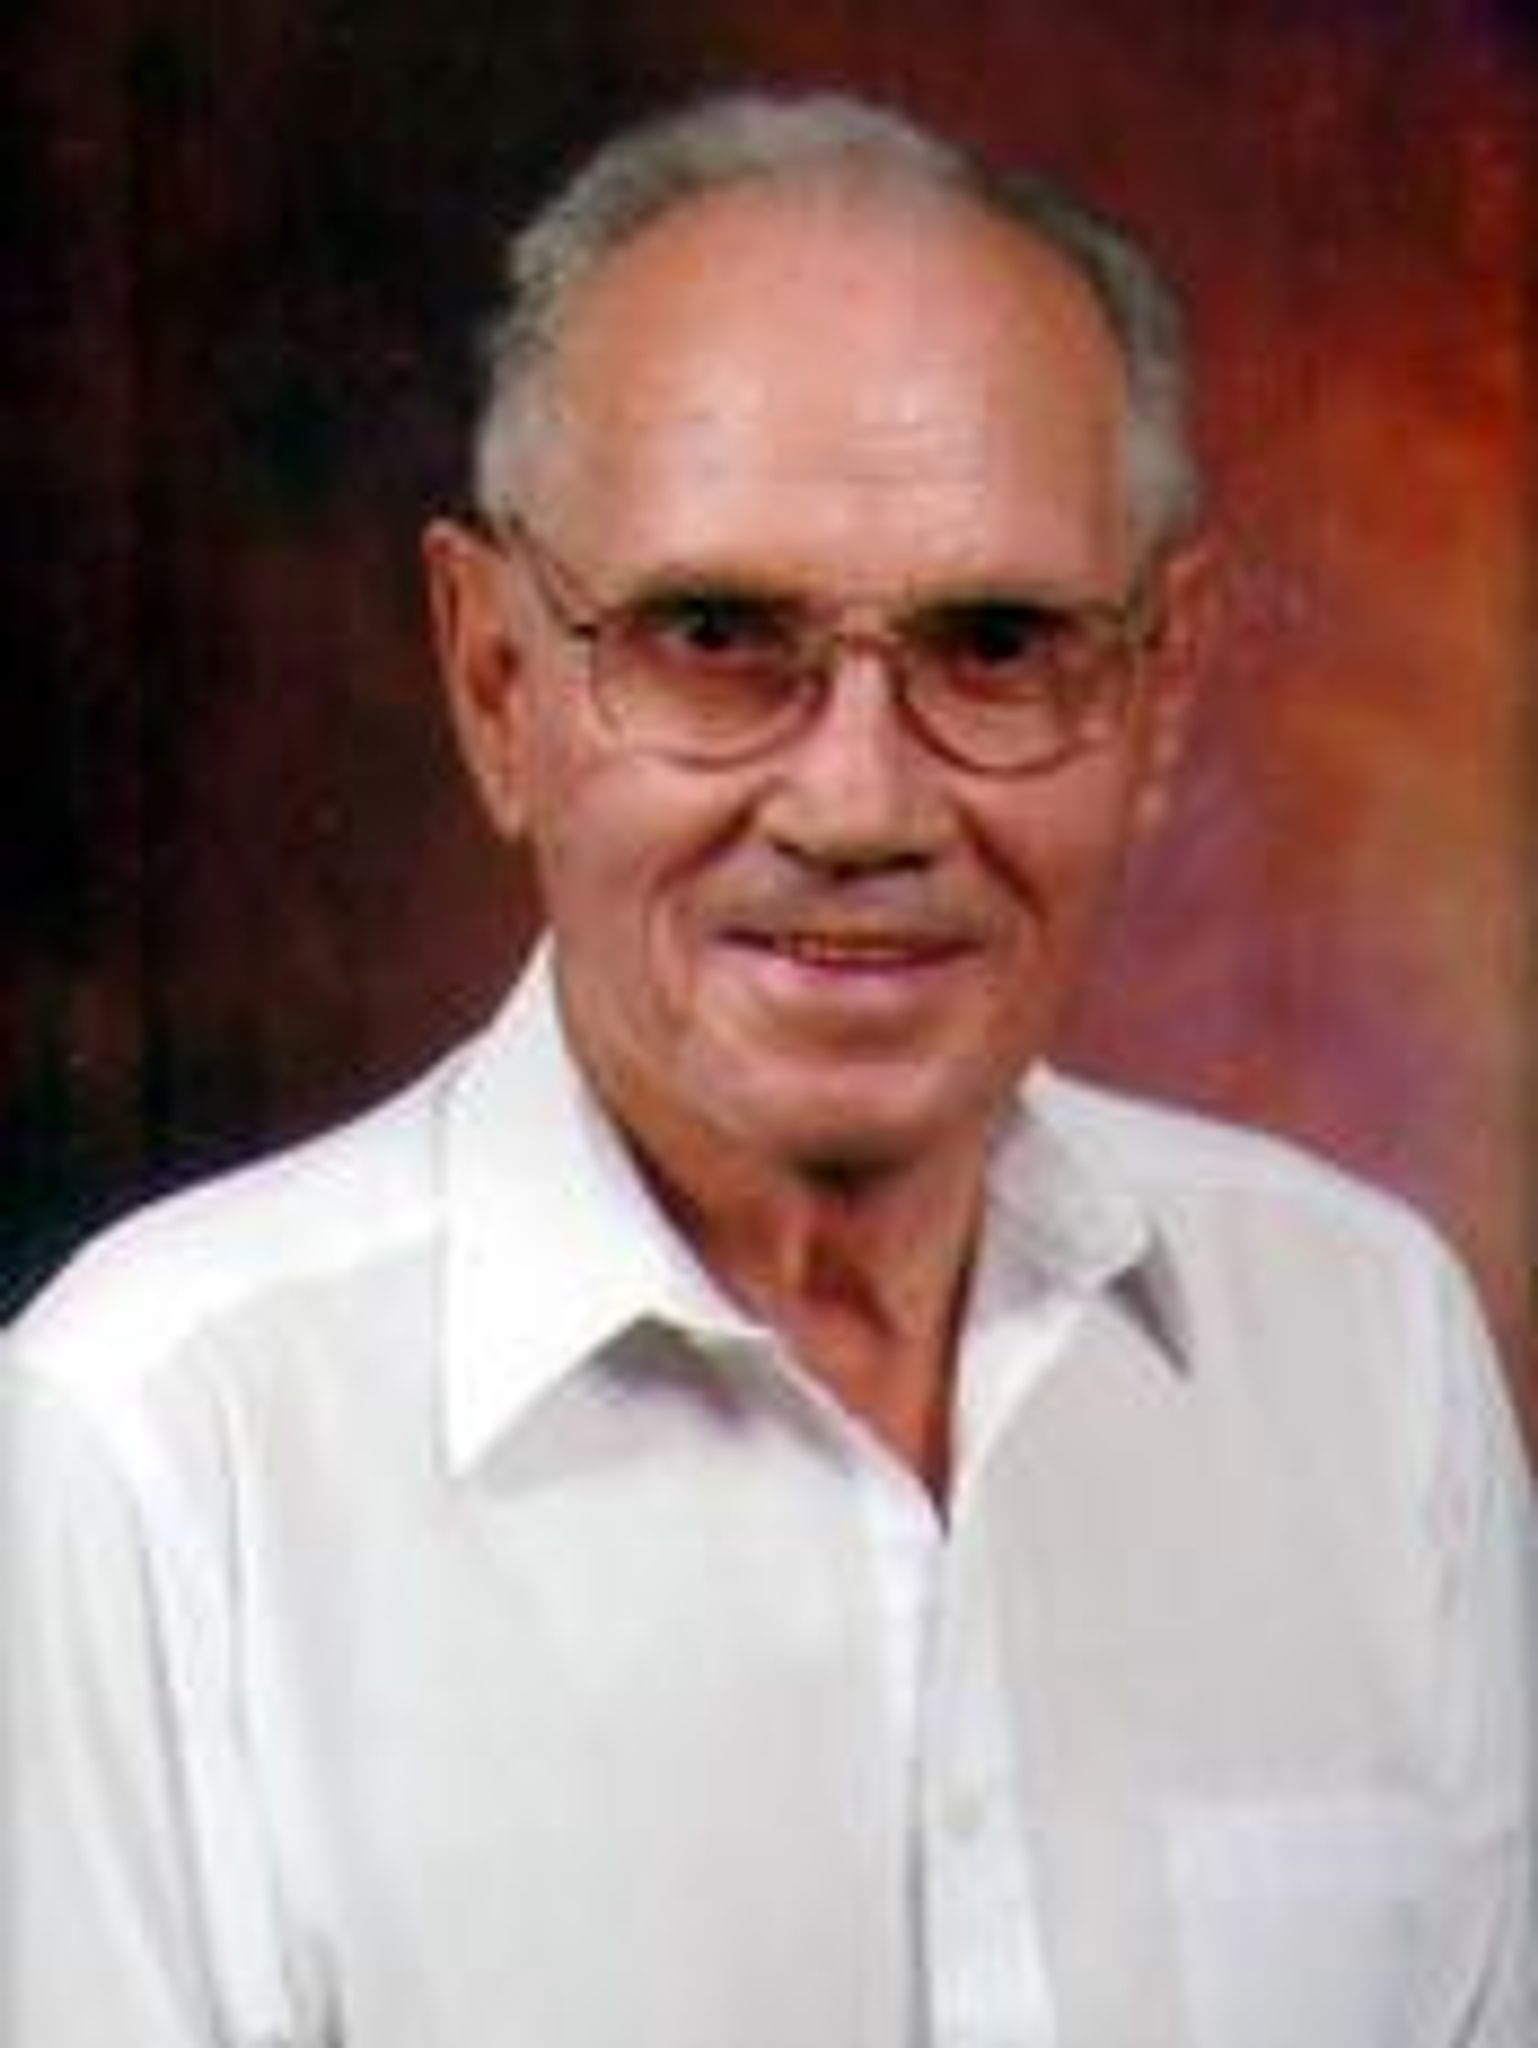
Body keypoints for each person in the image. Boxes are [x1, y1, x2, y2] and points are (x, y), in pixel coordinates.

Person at [2, 89, 1533, 2048]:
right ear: (495, 680)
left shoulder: (1369, 1354)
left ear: (1157, 694)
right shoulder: (153, 1456)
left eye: (996, 642)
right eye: (715, 633)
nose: (857, 804)